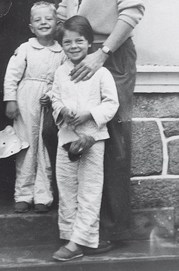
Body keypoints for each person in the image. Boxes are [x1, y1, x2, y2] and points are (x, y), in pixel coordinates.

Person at [57, 0, 145, 252]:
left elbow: (133, 10)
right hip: (80, 58)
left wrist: (102, 53)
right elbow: (66, 15)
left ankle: (113, 231)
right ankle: (82, 226)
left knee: (113, 141)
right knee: (76, 134)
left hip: (113, 55)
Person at [50, 16, 119, 262]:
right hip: (67, 137)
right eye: (67, 42)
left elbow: (112, 104)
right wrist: (62, 111)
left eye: (79, 41)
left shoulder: (101, 73)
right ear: (61, 45)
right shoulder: (60, 72)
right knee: (67, 187)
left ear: (89, 43)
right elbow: (55, 98)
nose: (73, 46)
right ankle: (71, 235)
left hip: (92, 137)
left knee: (89, 189)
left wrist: (89, 113)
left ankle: (78, 241)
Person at [3, 1, 66, 213]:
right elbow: (11, 76)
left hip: (50, 104)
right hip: (26, 101)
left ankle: (43, 195)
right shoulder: (25, 48)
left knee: (46, 149)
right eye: (38, 20)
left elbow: (63, 79)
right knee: (25, 146)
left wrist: (52, 95)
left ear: (57, 24)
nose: (43, 23)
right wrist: (10, 100)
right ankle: (23, 194)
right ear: (31, 27)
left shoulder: (62, 52)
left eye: (48, 19)